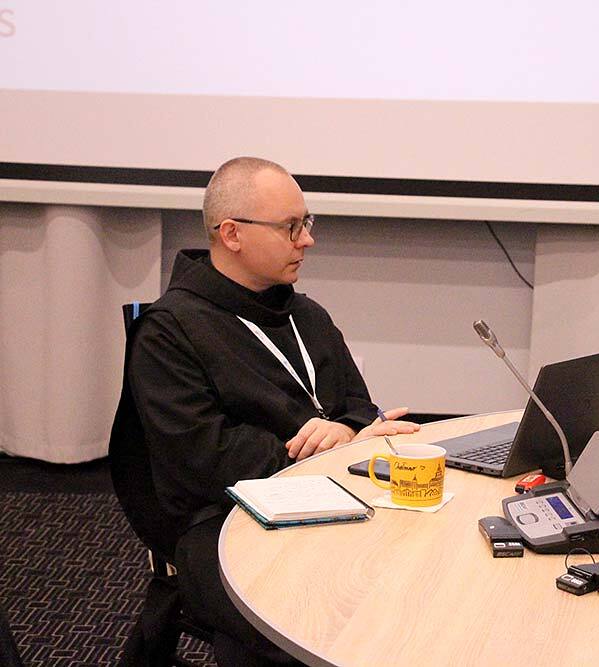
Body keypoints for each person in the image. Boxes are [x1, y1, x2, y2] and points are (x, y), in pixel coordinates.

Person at [126, 157, 419, 665]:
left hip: (335, 498)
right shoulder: (169, 330)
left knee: (413, 592)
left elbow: (357, 405)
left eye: (307, 223)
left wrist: (349, 433)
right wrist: (330, 452)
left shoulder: (306, 314)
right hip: (224, 523)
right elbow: (206, 457)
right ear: (232, 234)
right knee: (307, 627)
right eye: (291, 227)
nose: (308, 240)